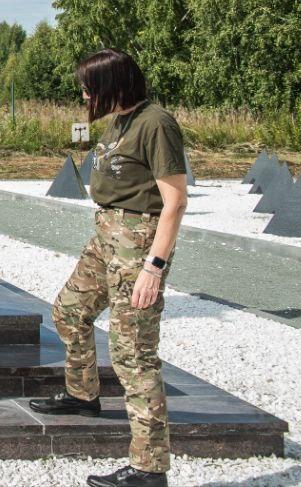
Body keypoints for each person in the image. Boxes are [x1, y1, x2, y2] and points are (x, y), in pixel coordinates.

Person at [29, 49, 188, 487]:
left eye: (88, 85)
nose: (83, 93)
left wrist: (154, 268)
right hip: (106, 236)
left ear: (113, 84)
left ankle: (149, 468)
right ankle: (83, 395)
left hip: (138, 245)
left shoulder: (156, 123)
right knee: (68, 310)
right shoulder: (120, 121)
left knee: (133, 352)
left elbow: (174, 201)